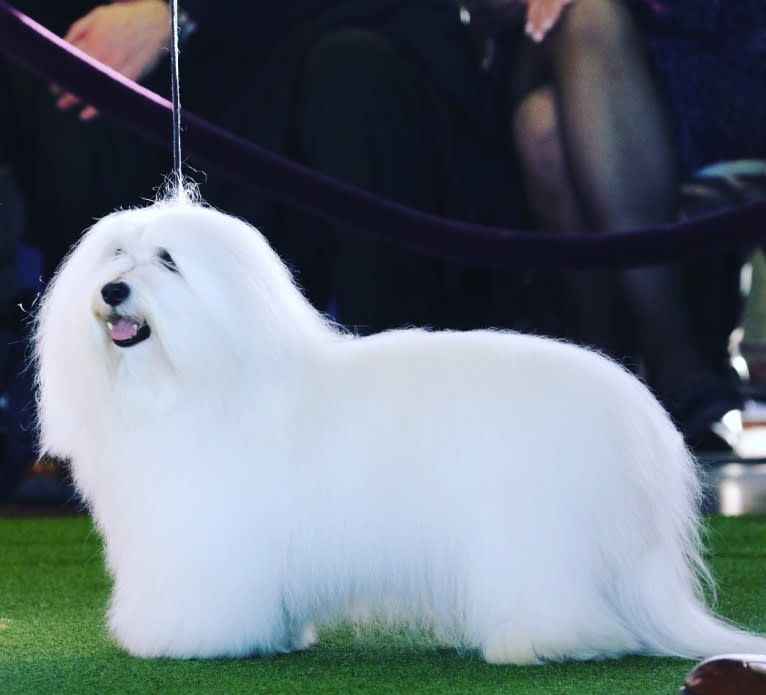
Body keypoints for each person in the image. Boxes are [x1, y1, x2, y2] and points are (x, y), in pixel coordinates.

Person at [0, 0, 526, 500]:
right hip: (180, 95)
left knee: (355, 79)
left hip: (320, 52)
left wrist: (176, 15)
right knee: (68, 76)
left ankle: (401, 437)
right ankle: (108, 433)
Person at [466, 0, 749, 450]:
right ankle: (665, 359)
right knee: (585, 25)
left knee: (546, 131)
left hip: (693, 51)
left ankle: (615, 363)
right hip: (534, 47)